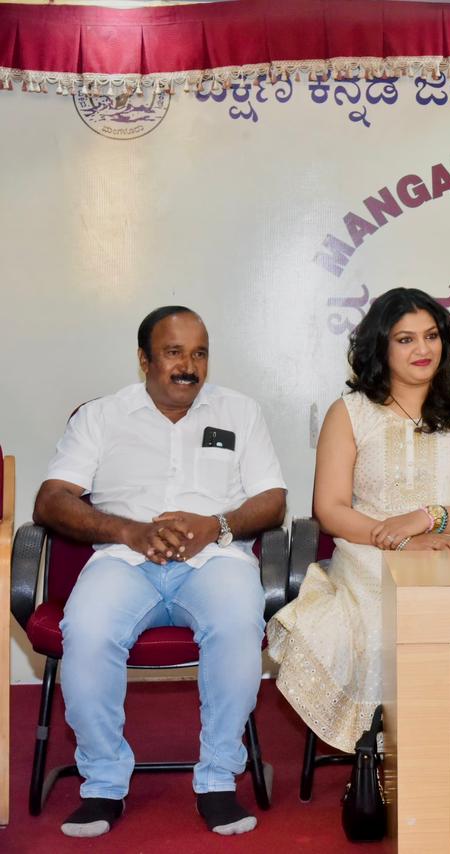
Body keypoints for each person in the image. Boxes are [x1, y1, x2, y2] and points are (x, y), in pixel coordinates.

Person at [33, 306, 287, 838]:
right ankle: (103, 785)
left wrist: (215, 525)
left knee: (237, 623)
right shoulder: (101, 416)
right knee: (88, 630)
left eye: (199, 353)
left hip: (215, 560)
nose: (188, 366)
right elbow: (51, 501)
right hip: (124, 561)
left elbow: (272, 501)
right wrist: (129, 531)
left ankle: (218, 779)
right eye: (174, 353)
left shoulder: (240, 412)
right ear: (144, 359)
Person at [268, 287, 450, 755]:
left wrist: (426, 519)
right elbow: (330, 508)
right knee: (379, 620)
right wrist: (400, 542)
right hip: (369, 553)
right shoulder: (350, 413)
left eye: (431, 336)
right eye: (406, 339)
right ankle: (393, 754)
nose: (423, 349)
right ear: (380, 347)